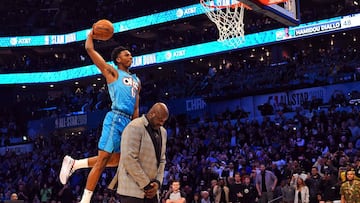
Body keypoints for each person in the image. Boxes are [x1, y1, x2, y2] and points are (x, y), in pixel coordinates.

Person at [59, 27, 141, 203]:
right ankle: (85, 200)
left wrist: (136, 127)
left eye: (131, 55)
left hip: (128, 122)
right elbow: (90, 49)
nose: (130, 57)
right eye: (127, 55)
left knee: (116, 160)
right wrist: (91, 35)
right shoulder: (112, 72)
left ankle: (76, 163)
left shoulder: (137, 80)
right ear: (118, 59)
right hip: (115, 118)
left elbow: (135, 108)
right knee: (103, 160)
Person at [117, 102, 169, 203]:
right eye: (160, 120)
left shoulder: (163, 132)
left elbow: (162, 160)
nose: (161, 123)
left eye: (164, 121)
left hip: (152, 191)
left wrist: (157, 183)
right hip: (132, 191)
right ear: (152, 113)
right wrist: (146, 184)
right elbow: (129, 159)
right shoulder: (134, 127)